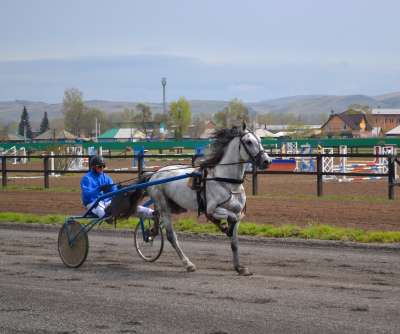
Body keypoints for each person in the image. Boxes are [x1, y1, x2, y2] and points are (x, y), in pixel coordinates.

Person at [80, 155, 154, 219]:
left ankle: (151, 213)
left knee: (128, 207)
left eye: (103, 166)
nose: (102, 168)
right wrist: (99, 189)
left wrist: (119, 189)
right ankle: (106, 218)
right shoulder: (87, 178)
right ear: (93, 167)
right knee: (100, 209)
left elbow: (114, 192)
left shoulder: (106, 178)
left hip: (106, 201)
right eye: (99, 166)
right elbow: (87, 195)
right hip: (92, 202)